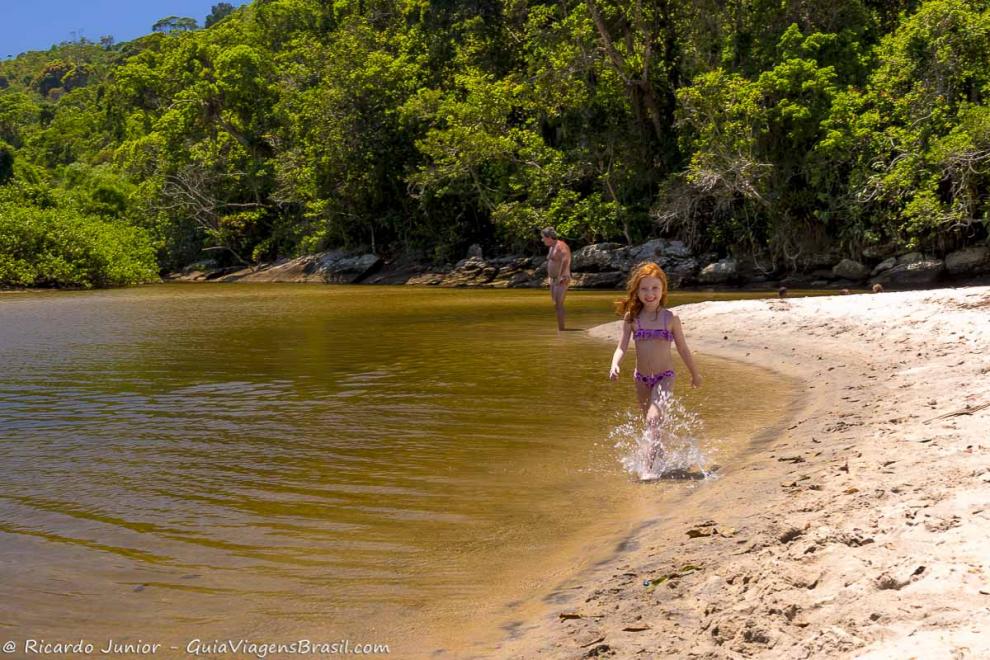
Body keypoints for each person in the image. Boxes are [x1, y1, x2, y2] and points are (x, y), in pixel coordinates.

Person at [609, 262, 702, 465]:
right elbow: (621, 347)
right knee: (651, 424)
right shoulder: (632, 318)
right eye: (644, 289)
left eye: (655, 288)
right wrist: (614, 364)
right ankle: (662, 458)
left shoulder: (670, 318)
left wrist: (695, 374)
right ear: (637, 291)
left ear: (663, 290)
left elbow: (683, 349)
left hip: (665, 376)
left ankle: (648, 468)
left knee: (653, 420)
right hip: (640, 379)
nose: (649, 293)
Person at [541, 227, 572, 330]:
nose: (542, 240)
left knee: (559, 304)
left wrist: (560, 276)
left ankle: (562, 330)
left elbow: (566, 260)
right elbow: (552, 262)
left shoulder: (561, 246)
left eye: (543, 238)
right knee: (556, 304)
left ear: (549, 237)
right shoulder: (551, 247)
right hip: (553, 279)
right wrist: (549, 277)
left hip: (562, 278)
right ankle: (560, 329)